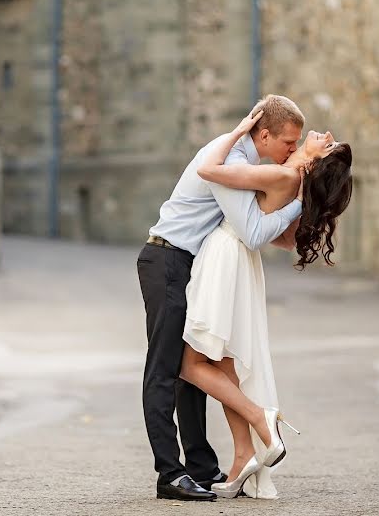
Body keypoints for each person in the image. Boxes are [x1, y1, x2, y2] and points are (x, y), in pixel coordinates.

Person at [137, 95, 306, 501]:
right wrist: (300, 200)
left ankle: (200, 468)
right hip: (167, 260)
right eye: (288, 142)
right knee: (167, 369)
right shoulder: (229, 161)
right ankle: (169, 474)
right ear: (263, 134)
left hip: (187, 264)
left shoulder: (242, 162)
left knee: (192, 368)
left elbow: (270, 232)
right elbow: (251, 232)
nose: (291, 151)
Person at [180, 111, 353, 499]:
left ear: (314, 161)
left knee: (190, 364)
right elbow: (279, 237)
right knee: (225, 364)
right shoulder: (292, 180)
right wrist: (300, 181)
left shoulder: (282, 176)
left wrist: (239, 131)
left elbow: (210, 171)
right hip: (240, 263)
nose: (321, 134)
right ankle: (243, 456)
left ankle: (262, 419)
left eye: (325, 142)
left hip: (226, 256)